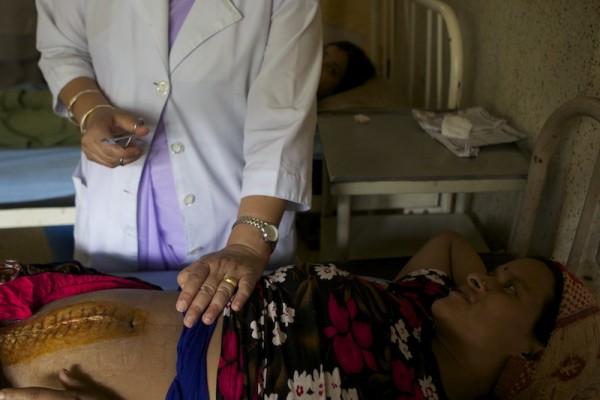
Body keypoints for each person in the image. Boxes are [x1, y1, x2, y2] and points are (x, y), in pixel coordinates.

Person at [2, 230, 599, 399]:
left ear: (531, 351)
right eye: (494, 271)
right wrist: (481, 288)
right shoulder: (421, 305)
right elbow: (448, 242)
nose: (482, 279)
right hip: (52, 309)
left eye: (510, 289)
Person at [35, 1, 323, 328]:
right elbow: (62, 49)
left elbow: (282, 110)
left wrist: (247, 243)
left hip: (238, 211)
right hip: (117, 206)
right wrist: (90, 109)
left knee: (233, 351)